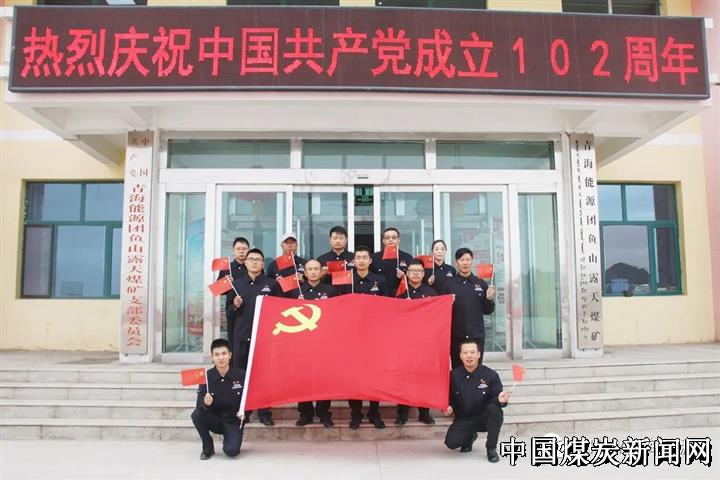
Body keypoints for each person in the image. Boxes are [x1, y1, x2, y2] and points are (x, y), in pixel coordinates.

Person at [338, 245, 387, 429]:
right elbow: (336, 306)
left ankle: (374, 412)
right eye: (358, 257)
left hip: (374, 336)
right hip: (350, 336)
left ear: (370, 260)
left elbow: (388, 306)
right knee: (353, 376)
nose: (361, 261)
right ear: (354, 261)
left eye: (364, 257)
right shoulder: (344, 280)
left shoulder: (380, 281)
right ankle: (356, 413)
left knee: (375, 375)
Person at [230, 248, 280, 426]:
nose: (254, 262)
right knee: (241, 375)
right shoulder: (236, 284)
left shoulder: (271, 284)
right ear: (246, 262)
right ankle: (244, 410)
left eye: (258, 259)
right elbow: (229, 313)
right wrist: (235, 306)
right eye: (251, 259)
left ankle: (264, 412)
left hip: (265, 338)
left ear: (263, 263)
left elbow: (280, 310)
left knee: (264, 375)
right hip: (242, 336)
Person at [443, 339, 511, 463]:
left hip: (483, 417)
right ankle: (469, 437)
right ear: (460, 355)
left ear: (479, 354)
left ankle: (491, 448)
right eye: (465, 353)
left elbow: (497, 398)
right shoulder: (453, 376)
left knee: (496, 410)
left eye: (472, 352)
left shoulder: (490, 375)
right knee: (451, 443)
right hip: (464, 418)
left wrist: (500, 400)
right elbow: (447, 398)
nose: (469, 356)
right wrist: (447, 407)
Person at [289, 259, 336, 428]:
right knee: (303, 377)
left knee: (324, 377)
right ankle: (305, 413)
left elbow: (337, 313)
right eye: (310, 269)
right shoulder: (296, 291)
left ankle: (324, 413)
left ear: (321, 272)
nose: (314, 272)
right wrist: (296, 305)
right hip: (302, 341)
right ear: (305, 273)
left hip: (324, 340)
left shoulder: (330, 290)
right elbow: (286, 314)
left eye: (316, 269)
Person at [395, 259, 437, 426]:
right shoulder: (400, 292)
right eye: (412, 271)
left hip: (425, 342)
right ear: (407, 273)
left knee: (424, 377)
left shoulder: (432, 293)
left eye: (419, 271)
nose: (416, 274)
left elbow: (437, 315)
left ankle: (424, 412)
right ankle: (402, 413)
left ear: (424, 273)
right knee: (403, 377)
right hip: (404, 342)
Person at [190, 338, 245, 460]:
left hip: (233, 421)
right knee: (197, 415)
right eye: (217, 354)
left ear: (230, 355)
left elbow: (249, 399)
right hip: (215, 419)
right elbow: (199, 404)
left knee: (231, 451)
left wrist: (245, 413)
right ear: (212, 357)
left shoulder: (241, 375)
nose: (221, 358)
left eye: (224, 353)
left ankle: (231, 439)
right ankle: (208, 447)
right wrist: (205, 402)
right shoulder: (207, 376)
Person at [442, 248, 496, 368]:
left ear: (472, 261)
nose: (465, 263)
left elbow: (488, 310)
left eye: (468, 260)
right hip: (456, 335)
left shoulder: (481, 284)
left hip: (476, 335)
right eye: (462, 260)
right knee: (457, 369)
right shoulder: (449, 284)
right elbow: (442, 311)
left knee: (476, 369)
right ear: (456, 262)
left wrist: (489, 298)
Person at [217, 237, 250, 353]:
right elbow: (219, 291)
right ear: (233, 251)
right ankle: (233, 362)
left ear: (248, 250)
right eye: (238, 249)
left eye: (244, 249)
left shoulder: (253, 267)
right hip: (233, 310)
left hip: (250, 308)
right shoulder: (227, 269)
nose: (241, 251)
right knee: (233, 340)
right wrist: (226, 283)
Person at [371, 227, 413, 296]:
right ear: (383, 240)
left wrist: (404, 277)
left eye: (394, 237)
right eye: (387, 238)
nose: (390, 240)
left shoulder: (407, 257)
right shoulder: (375, 257)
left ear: (398, 240)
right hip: (380, 295)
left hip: (400, 295)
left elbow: (414, 278)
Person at [266, 232, 306, 297]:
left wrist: (303, 280)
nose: (289, 245)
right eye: (286, 243)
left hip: (299, 299)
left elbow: (312, 284)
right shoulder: (274, 265)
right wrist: (275, 282)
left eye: (292, 242)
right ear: (281, 245)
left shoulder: (304, 263)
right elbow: (267, 285)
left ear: (297, 245)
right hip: (280, 299)